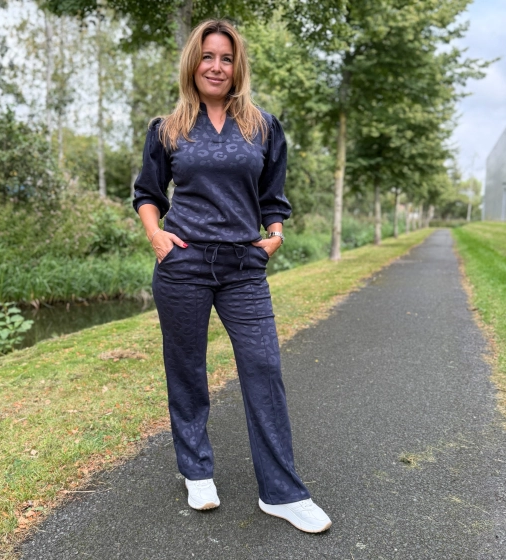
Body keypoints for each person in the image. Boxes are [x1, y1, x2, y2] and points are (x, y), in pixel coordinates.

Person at [133, 19, 331, 534]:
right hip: (184, 263)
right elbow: (148, 193)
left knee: (263, 368)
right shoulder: (167, 128)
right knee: (187, 369)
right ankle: (197, 471)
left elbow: (272, 195)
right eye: (207, 56)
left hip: (244, 267)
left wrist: (275, 233)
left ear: (237, 66)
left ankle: (282, 493)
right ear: (192, 63)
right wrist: (157, 236)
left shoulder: (262, 127)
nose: (216, 66)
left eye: (226, 58)